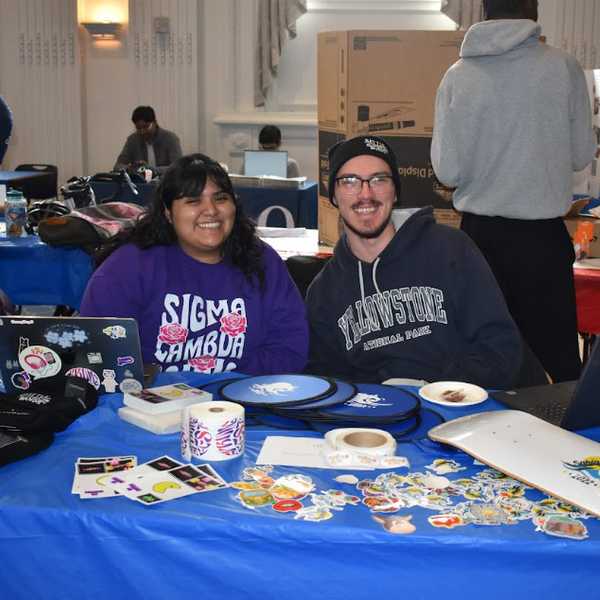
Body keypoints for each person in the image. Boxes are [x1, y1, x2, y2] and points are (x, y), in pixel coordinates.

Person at [431, 0, 596, 383]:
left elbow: (447, 170)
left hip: (479, 241)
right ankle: (560, 439)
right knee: (556, 362)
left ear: (484, 11)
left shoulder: (458, 75)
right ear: (534, 11)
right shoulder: (563, 67)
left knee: (476, 360)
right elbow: (581, 154)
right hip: (542, 240)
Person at [305, 135, 522, 389]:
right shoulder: (324, 292)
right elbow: (327, 381)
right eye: (350, 181)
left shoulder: (451, 250)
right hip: (376, 419)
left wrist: (436, 389)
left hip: (457, 410)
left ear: (395, 191)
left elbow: (500, 349)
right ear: (334, 195)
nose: (366, 193)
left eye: (379, 180)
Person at [80, 153, 309, 375]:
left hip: (246, 400)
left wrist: (226, 384)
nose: (210, 211)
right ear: (168, 213)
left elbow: (291, 348)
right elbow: (101, 356)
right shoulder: (127, 268)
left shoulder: (262, 260)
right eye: (193, 201)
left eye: (220, 198)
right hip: (149, 406)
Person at [114, 105, 182, 175]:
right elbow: (118, 166)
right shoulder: (132, 140)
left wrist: (151, 169)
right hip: (139, 185)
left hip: (166, 183)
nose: (142, 131)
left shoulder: (171, 139)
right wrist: (130, 168)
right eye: (138, 128)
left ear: (155, 122)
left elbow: (178, 168)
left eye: (146, 127)